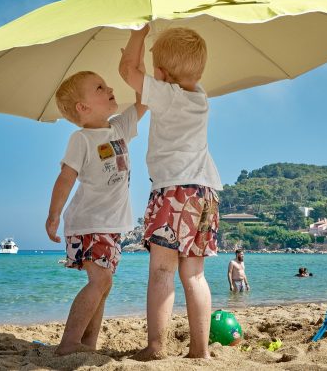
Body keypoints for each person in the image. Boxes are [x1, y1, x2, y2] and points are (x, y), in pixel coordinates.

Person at [120, 25, 222, 360]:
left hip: (174, 191)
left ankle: (156, 347)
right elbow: (142, 79)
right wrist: (149, 69)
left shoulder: (167, 95)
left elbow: (127, 71)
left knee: (162, 271)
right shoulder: (200, 97)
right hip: (205, 192)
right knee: (195, 275)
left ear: (162, 74)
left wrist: (138, 35)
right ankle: (200, 350)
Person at [45, 70, 145, 356]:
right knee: (100, 281)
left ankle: (88, 344)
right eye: (99, 88)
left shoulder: (119, 127)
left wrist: (137, 68)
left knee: (104, 284)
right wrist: (53, 215)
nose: (110, 88)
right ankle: (69, 342)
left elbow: (144, 101)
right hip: (89, 222)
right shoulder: (82, 139)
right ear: (83, 107)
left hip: (111, 225)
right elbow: (66, 178)